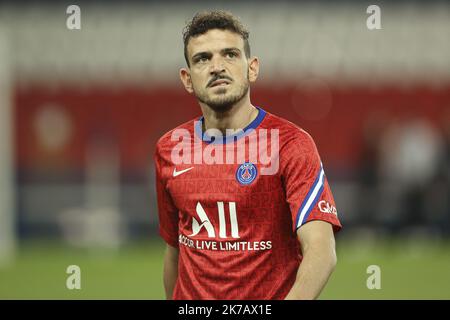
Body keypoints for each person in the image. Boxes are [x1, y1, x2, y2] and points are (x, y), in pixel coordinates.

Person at [154, 10, 341, 300]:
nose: (217, 67)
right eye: (203, 59)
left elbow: (321, 250)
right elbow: (175, 250)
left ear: (252, 68)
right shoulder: (169, 149)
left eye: (229, 54)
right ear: (187, 79)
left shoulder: (290, 144)